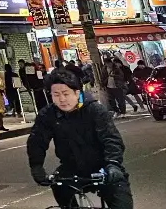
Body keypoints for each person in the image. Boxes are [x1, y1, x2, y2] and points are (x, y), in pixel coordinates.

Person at [28, 69, 131, 209]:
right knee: (59, 187)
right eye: (56, 95)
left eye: (66, 94)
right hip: (71, 167)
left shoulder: (95, 110)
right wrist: (36, 166)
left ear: (77, 92)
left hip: (104, 166)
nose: (62, 99)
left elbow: (111, 139)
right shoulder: (48, 115)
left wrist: (113, 164)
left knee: (120, 199)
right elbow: (37, 140)